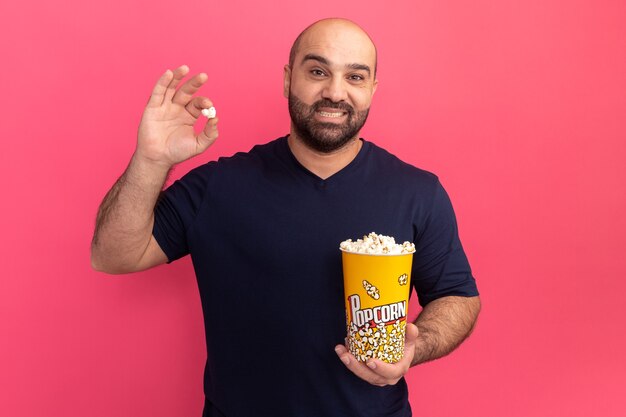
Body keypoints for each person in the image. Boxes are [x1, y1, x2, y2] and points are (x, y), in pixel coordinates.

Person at [91, 18, 480, 417]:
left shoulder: (417, 192)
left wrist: (416, 347)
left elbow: (458, 296)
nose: (334, 92)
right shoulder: (219, 186)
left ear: (372, 90)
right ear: (287, 79)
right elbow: (113, 254)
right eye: (317, 71)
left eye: (355, 77)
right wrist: (150, 161)